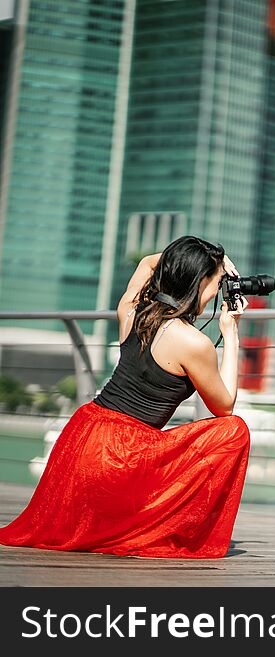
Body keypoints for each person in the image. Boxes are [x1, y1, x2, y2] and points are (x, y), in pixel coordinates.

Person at [0, 236, 251, 558]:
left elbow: (148, 261)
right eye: (217, 282)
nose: (218, 291)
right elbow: (224, 406)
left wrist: (211, 260)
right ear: (199, 281)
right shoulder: (193, 342)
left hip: (82, 439)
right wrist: (231, 334)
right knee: (234, 430)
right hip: (122, 454)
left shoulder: (132, 312)